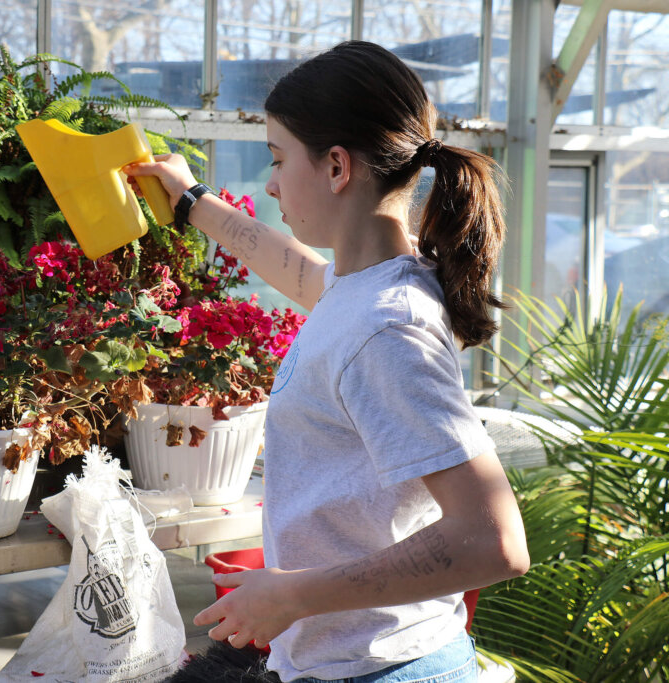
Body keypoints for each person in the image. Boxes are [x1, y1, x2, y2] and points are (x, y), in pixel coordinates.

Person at [124, 41, 530, 683]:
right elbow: (302, 272)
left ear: (337, 166)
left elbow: (493, 540)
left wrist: (292, 595)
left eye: (279, 160)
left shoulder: (386, 328)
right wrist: (189, 201)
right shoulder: (375, 284)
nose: (272, 182)